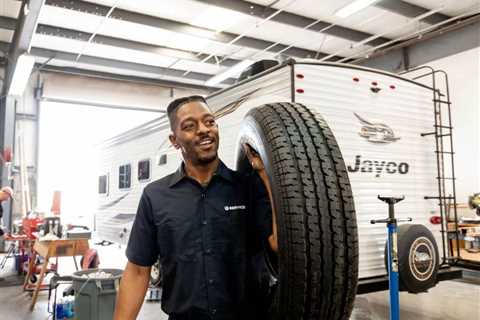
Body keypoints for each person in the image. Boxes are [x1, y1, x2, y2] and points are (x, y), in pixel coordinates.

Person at [114, 95, 277, 320]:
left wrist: (266, 175)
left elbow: (276, 243)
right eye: (190, 126)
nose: (203, 130)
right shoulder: (156, 196)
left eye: (209, 122)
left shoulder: (247, 187)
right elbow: (138, 270)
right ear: (174, 140)